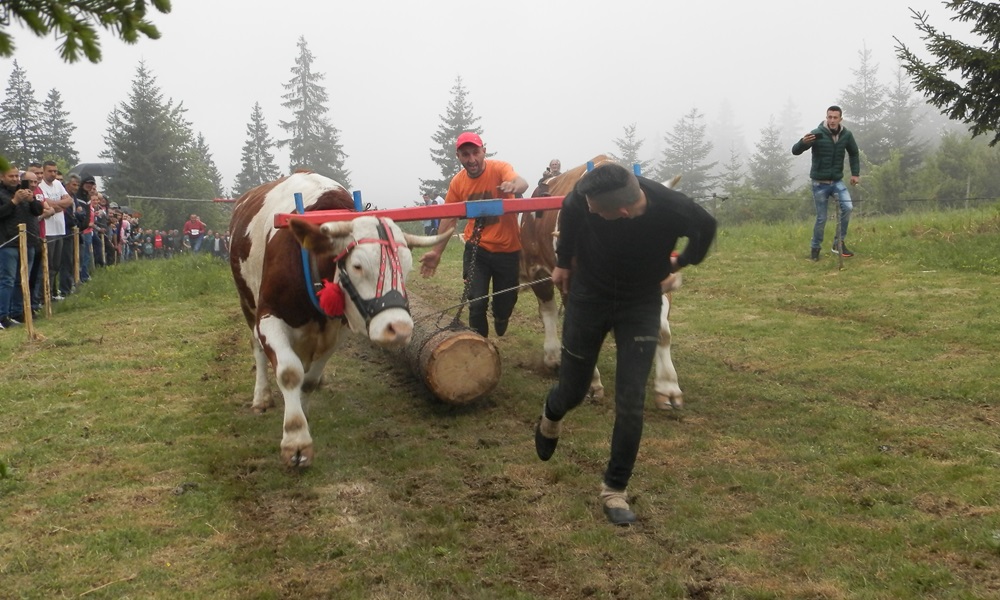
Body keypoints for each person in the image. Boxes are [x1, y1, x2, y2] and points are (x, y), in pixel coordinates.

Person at [533, 162, 717, 525]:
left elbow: (706, 227)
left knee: (631, 400)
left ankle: (614, 489)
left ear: (619, 212)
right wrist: (563, 262)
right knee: (572, 390)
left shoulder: (671, 207)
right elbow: (570, 208)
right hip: (588, 298)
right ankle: (550, 416)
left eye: (595, 209)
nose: (589, 210)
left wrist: (681, 261)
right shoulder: (587, 200)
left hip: (640, 304)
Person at [419, 131, 528, 337]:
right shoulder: (458, 183)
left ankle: (501, 316)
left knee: (505, 302)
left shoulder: (500, 169)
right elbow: (449, 218)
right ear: (458, 157)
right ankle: (479, 346)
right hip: (477, 250)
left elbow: (521, 182)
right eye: (465, 154)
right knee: (476, 301)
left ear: (483, 151)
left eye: (475, 153)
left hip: (508, 250)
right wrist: (436, 252)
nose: (471, 159)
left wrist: (513, 186)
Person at [792, 105, 861, 261]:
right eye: (829, 117)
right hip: (819, 184)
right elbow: (795, 151)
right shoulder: (817, 134)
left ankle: (838, 243)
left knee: (848, 207)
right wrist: (803, 143)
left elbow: (854, 153)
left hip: (837, 181)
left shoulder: (847, 135)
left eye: (835, 117)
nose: (832, 120)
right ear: (826, 117)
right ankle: (815, 250)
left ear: (840, 119)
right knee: (821, 218)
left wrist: (855, 174)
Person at [0, 166, 45, 329]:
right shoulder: (2, 194)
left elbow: (38, 211)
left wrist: (31, 199)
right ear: (2, 178)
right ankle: (2, 316)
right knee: (7, 280)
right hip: (8, 243)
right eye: (10, 176)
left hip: (29, 242)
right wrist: (14, 202)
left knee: (22, 280)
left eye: (16, 176)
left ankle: (18, 312)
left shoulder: (25, 191)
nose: (14, 179)